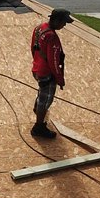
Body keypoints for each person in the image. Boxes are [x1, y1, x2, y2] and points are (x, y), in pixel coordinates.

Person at [29, 8, 72, 139]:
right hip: (46, 73)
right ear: (56, 20)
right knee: (45, 99)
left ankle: (38, 112)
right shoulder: (51, 37)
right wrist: (59, 78)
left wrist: (37, 62)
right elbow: (54, 61)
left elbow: (33, 47)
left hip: (37, 68)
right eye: (63, 23)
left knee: (41, 94)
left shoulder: (39, 28)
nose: (64, 26)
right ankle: (38, 127)